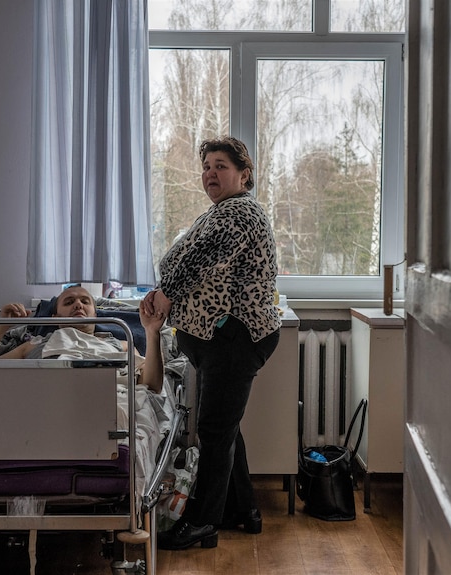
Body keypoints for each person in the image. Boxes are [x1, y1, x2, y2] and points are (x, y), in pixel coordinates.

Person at [143, 136, 281, 550]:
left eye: (220, 165)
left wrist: (164, 296)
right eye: (206, 166)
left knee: (215, 432)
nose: (210, 173)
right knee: (225, 429)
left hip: (235, 337)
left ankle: (203, 523)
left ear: (244, 174)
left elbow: (198, 258)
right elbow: (186, 261)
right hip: (220, 340)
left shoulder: (239, 212)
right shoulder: (221, 211)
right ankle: (244, 511)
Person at [0, 284, 166, 393]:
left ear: (96, 315)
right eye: (69, 302)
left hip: (106, 407)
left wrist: (152, 332)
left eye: (85, 301)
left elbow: (151, 387)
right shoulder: (33, 345)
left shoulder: (122, 346)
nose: (78, 305)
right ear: (55, 318)